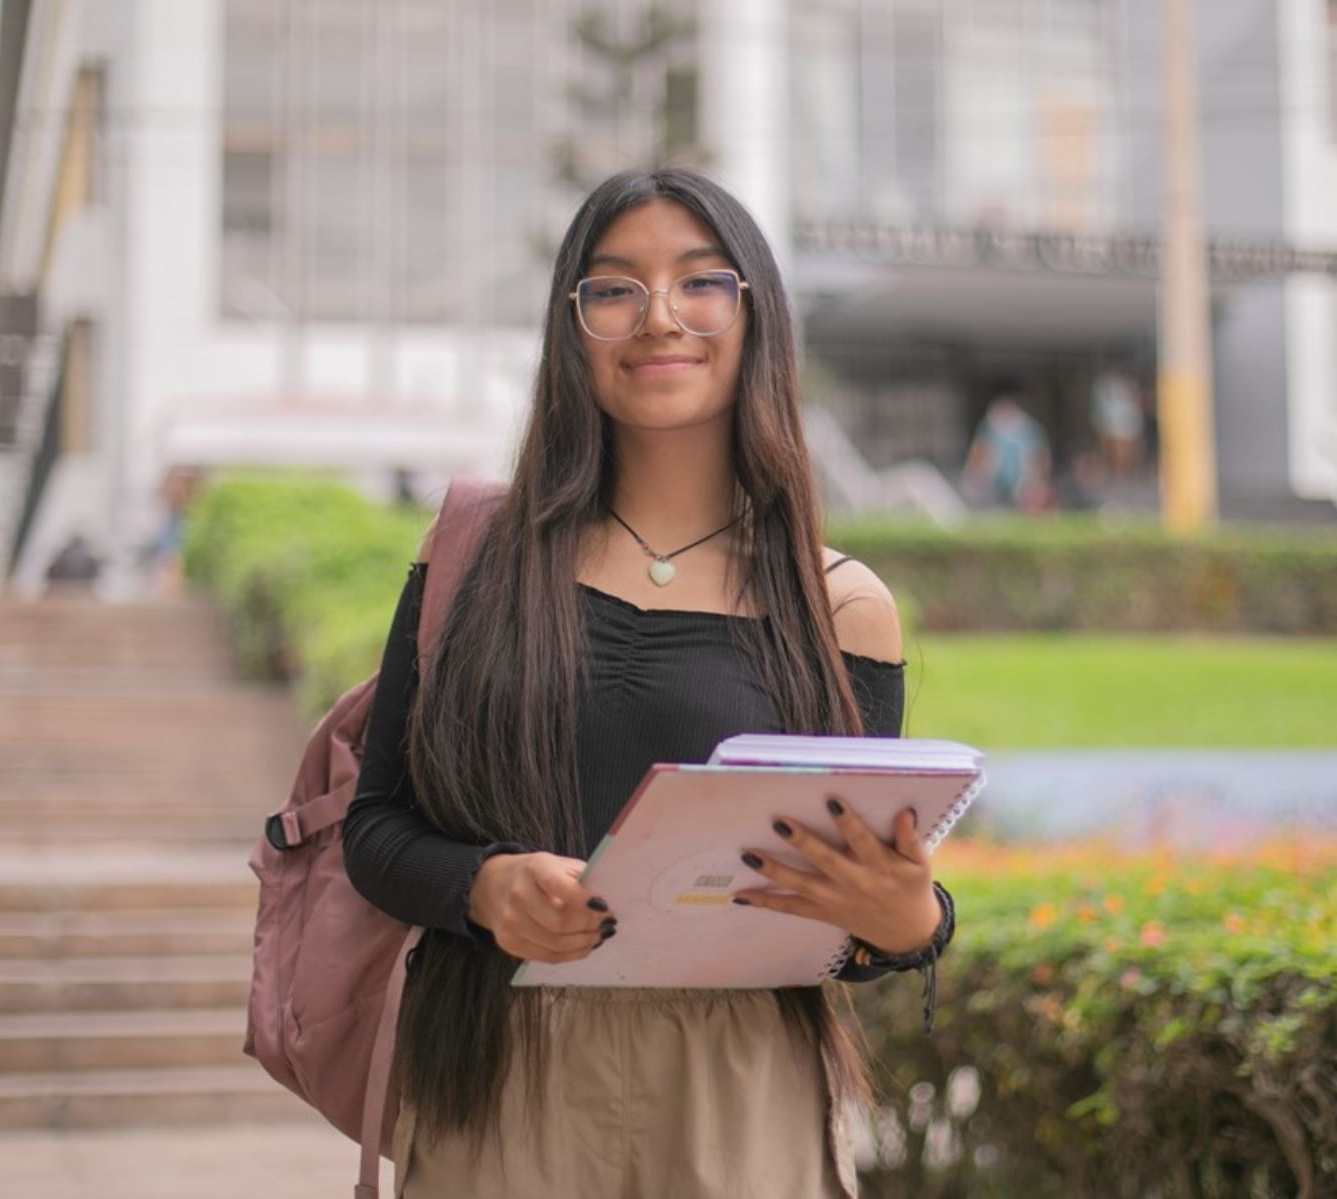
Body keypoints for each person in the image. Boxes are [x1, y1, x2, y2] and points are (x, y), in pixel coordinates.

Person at [342, 167, 955, 1199]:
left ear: (755, 314)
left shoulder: (841, 603)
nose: (659, 316)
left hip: (739, 1084)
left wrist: (909, 920)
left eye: (700, 281)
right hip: (499, 1074)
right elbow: (374, 826)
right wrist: (484, 885)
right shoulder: (471, 561)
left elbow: (852, 920)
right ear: (571, 327)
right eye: (615, 287)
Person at [961, 395, 1052, 514]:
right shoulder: (988, 429)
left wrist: (1037, 481)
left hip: (1023, 481)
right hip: (995, 481)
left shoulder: (1030, 431)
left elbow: (1040, 458)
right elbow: (978, 454)